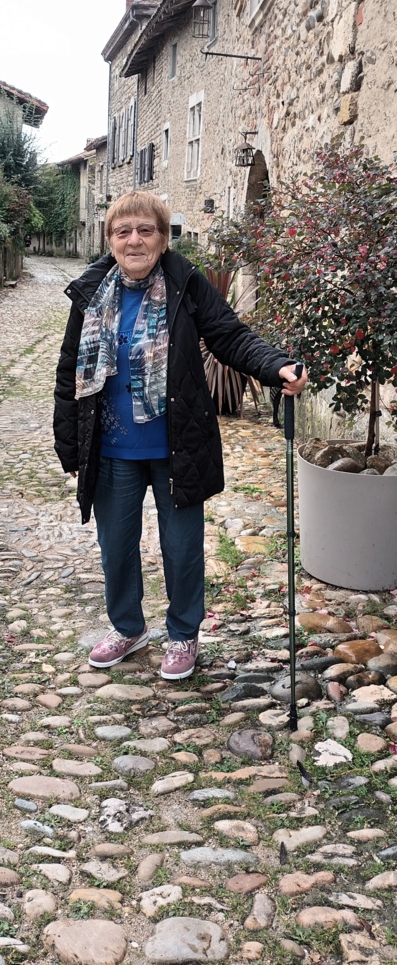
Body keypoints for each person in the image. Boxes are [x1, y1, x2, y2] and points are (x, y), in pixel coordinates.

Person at [53, 191, 307, 681]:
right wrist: (69, 445)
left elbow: (230, 336)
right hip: (111, 448)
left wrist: (276, 365)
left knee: (182, 548)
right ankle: (128, 628)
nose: (134, 240)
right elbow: (70, 371)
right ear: (110, 240)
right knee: (116, 546)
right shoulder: (90, 291)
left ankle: (184, 633)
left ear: (163, 239)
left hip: (178, 444)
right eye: (123, 231)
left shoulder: (186, 283)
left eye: (145, 230)